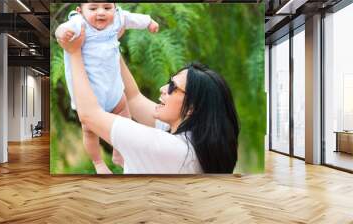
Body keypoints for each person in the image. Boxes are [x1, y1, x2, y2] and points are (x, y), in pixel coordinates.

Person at [57, 26, 240, 174]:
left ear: (192, 107)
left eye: (172, 87)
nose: (162, 89)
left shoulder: (170, 149)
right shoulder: (190, 141)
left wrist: (74, 53)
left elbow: (89, 115)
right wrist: (109, 43)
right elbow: (133, 98)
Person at [55, 3, 159, 174]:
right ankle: (98, 163)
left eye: (107, 8)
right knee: (89, 131)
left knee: (125, 115)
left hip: (112, 88)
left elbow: (133, 19)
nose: (101, 12)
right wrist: (62, 34)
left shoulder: (118, 19)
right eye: (93, 8)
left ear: (115, 8)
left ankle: (119, 152)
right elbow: (61, 29)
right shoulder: (78, 23)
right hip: (90, 93)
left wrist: (149, 22)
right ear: (80, 11)